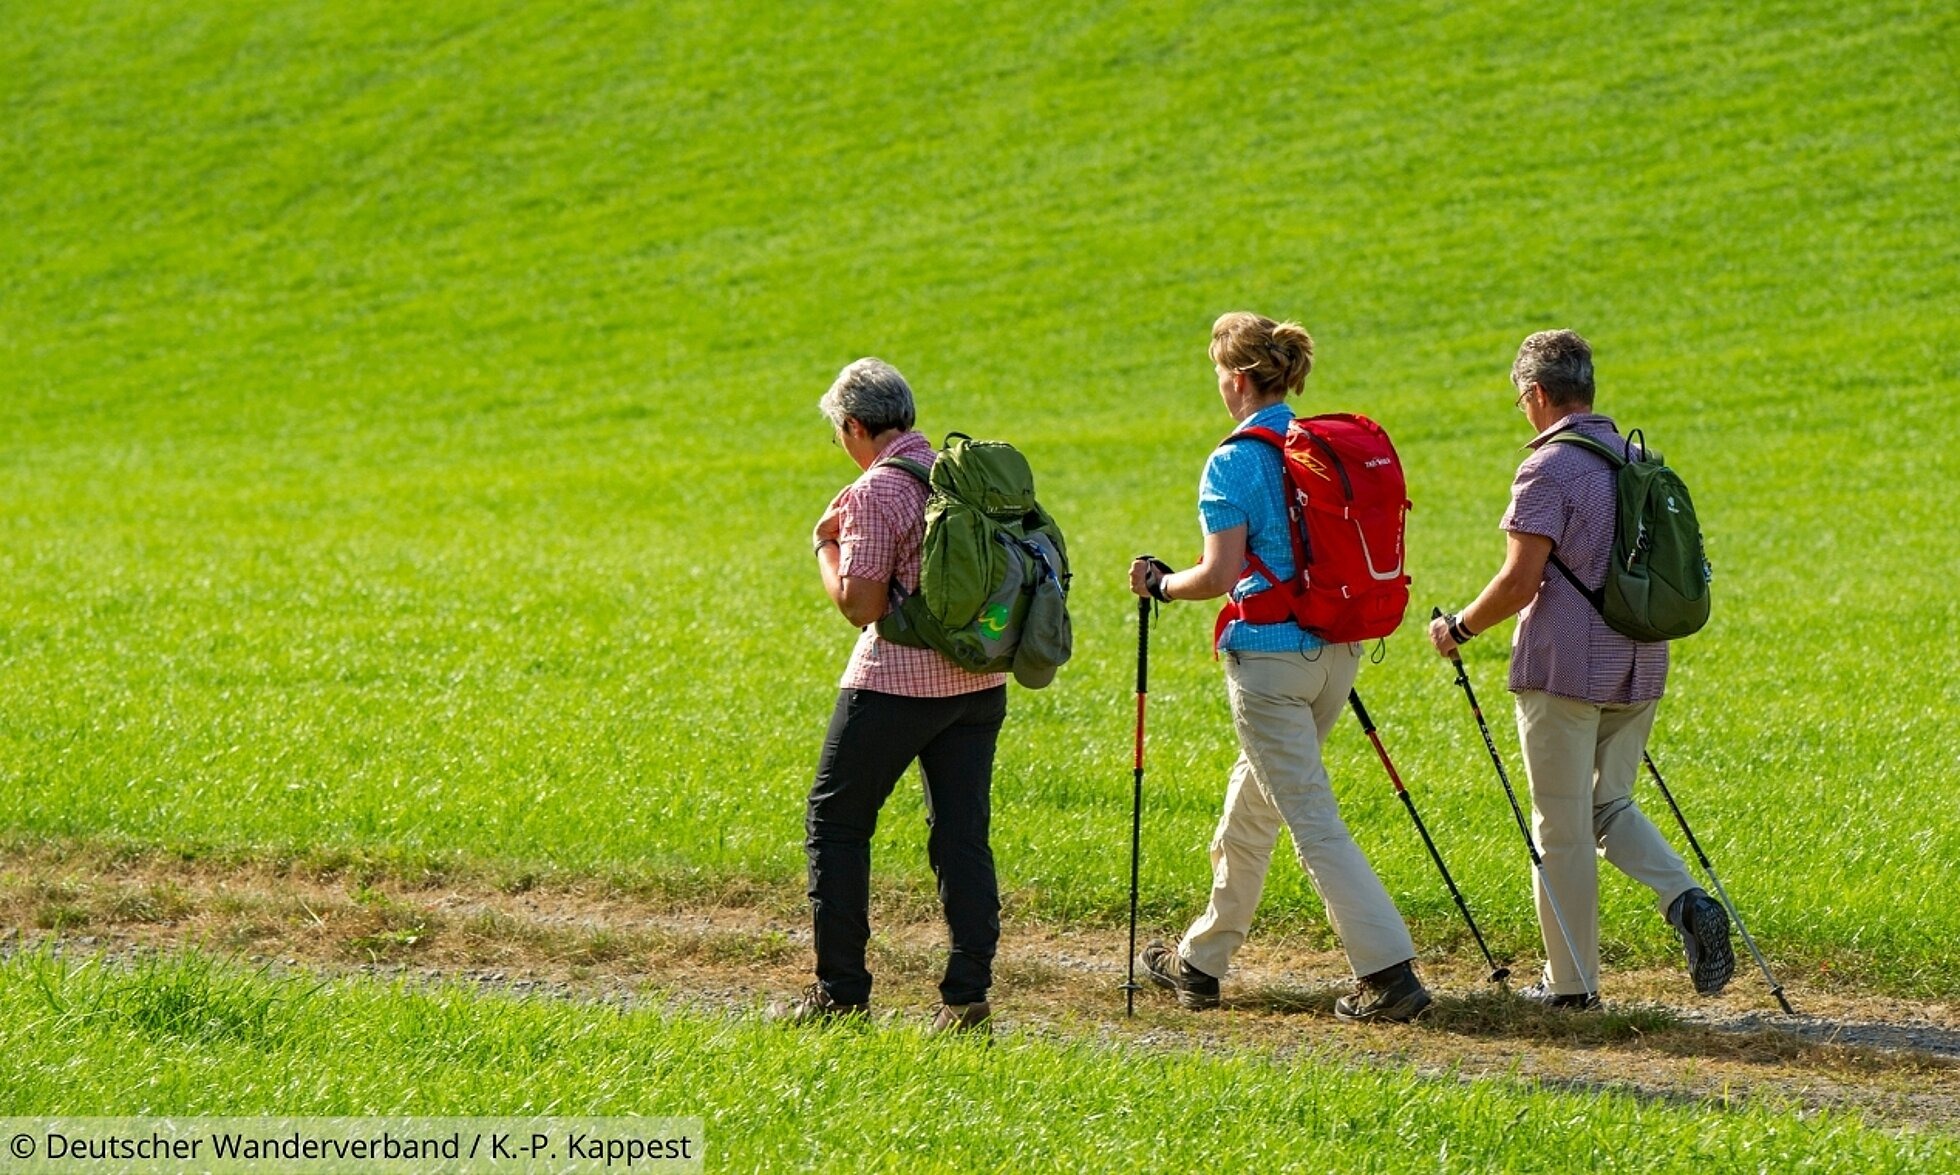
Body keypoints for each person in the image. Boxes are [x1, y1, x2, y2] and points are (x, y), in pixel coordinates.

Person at [1129, 312, 1431, 1023]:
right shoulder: (1317, 443)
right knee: (1255, 800)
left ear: (1235, 379)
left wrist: (1161, 585)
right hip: (1337, 654)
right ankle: (1200, 961)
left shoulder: (1233, 459)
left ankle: (1389, 974)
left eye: (1216, 375)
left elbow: (1219, 571)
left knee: (1309, 817)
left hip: (1267, 664)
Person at [1427, 328, 1734, 1008]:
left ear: (1536, 394)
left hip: (1564, 670)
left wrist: (1458, 629)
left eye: (1521, 400)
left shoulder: (1549, 468)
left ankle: (1571, 987)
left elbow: (1518, 581)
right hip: (1642, 658)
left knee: (1560, 826)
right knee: (1610, 804)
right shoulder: (1637, 456)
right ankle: (1686, 901)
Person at [775, 357, 1007, 1035]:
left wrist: (823, 545)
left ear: (854, 426)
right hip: (979, 683)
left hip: (897, 683)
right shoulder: (957, 475)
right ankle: (967, 998)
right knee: (962, 835)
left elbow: (861, 604)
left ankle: (840, 992)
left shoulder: (877, 490)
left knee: (835, 823)